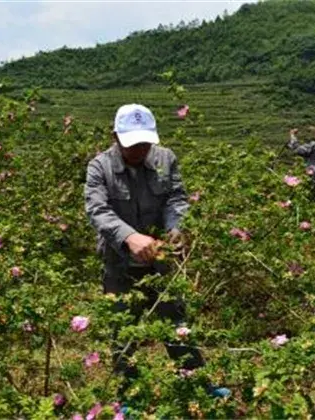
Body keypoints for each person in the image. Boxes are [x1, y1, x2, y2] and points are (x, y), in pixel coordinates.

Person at [84, 104, 230, 400]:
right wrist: (130, 237)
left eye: (145, 142)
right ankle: (131, 397)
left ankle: (197, 386)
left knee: (177, 325)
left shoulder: (165, 159)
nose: (139, 149)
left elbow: (176, 198)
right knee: (124, 332)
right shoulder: (99, 167)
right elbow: (97, 210)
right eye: (132, 143)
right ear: (115, 136)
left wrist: (175, 228)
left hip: (161, 264)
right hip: (119, 266)